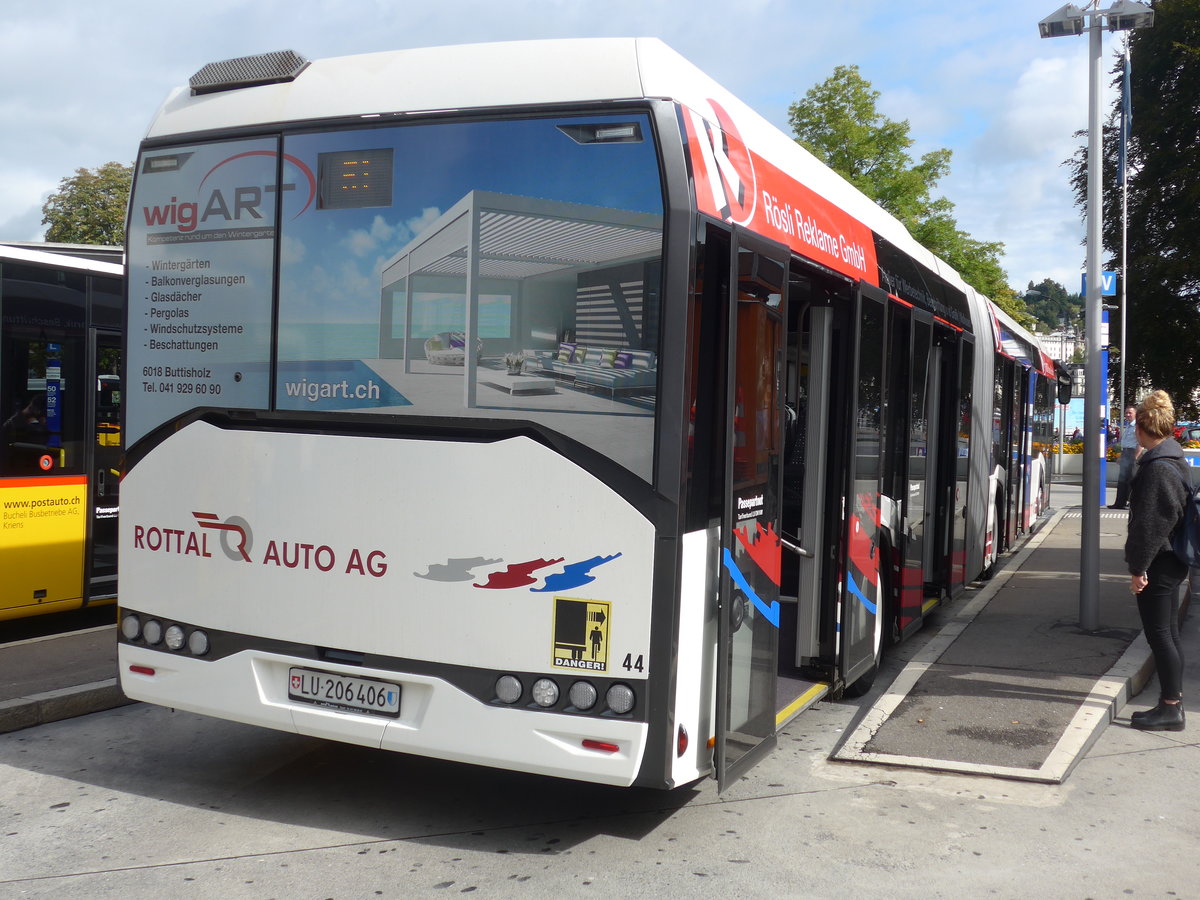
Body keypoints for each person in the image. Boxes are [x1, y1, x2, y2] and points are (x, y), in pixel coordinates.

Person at [1125, 390, 1191, 731]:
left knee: (1160, 636)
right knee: (1169, 634)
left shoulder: (1157, 469)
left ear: (1141, 429)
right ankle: (1172, 702)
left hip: (1159, 563)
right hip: (1171, 559)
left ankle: (1170, 708)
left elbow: (1149, 526)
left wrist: (1138, 569)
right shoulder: (1173, 458)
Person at [1110, 406, 1139, 509]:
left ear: (1135, 414)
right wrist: (1122, 456)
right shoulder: (1128, 427)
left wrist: (1135, 457)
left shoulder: (1137, 426)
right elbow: (1125, 443)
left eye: (1130, 413)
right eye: (1126, 413)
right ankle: (1119, 503)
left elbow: (1140, 443)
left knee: (1132, 479)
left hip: (1133, 453)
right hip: (1126, 453)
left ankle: (1131, 503)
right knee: (1122, 479)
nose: (1127, 415)